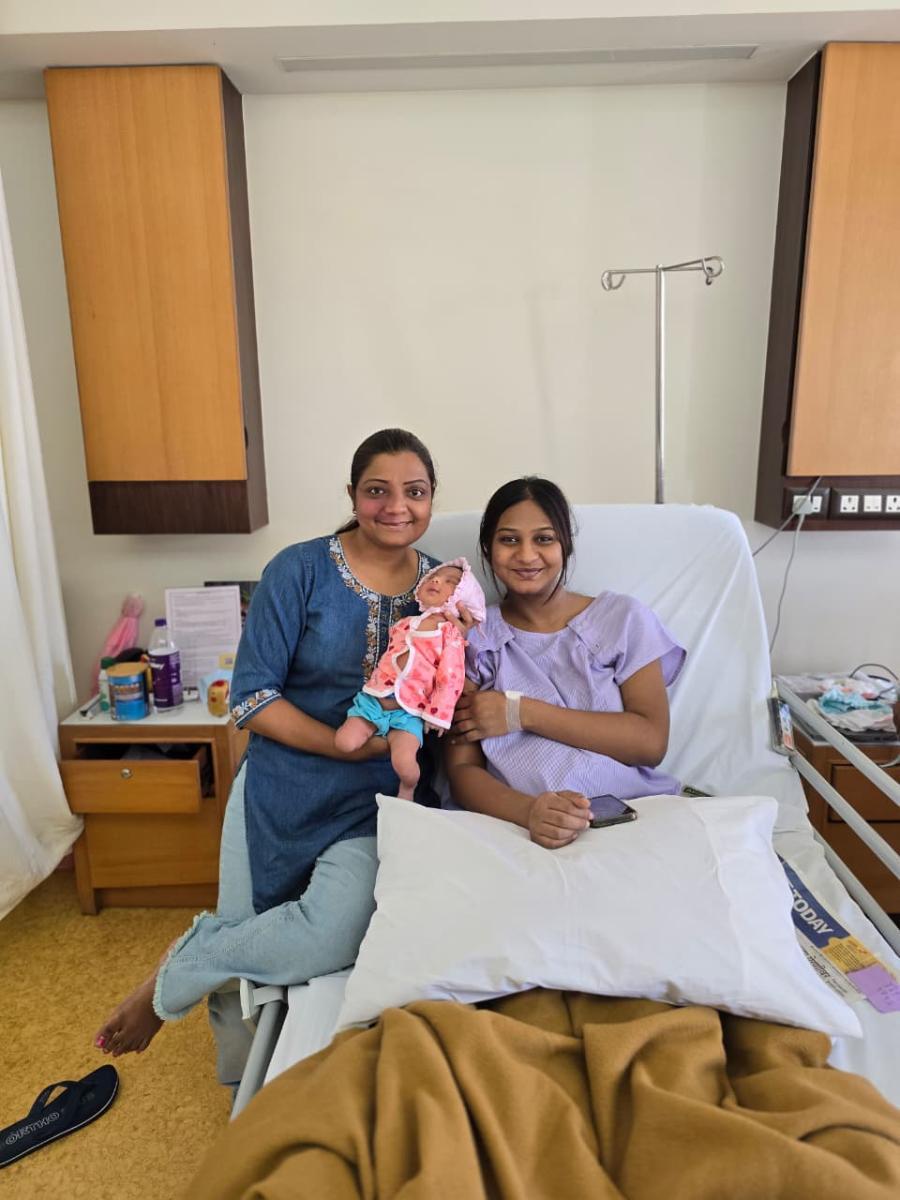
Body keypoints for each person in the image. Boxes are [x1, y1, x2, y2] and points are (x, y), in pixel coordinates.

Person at [94, 429, 466, 1089]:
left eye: (415, 492)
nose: (396, 507)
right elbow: (254, 698)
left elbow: (451, 684)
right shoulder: (298, 570)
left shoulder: (444, 587)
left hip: (374, 802)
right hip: (280, 784)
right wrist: (348, 744)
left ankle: (179, 968)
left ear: (432, 497)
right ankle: (240, 1085)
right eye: (377, 491)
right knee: (247, 928)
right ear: (352, 494)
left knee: (326, 935)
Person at [446, 477, 685, 847]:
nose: (527, 555)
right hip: (515, 827)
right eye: (509, 540)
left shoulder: (621, 620)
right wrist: (530, 812)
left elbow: (650, 743)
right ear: (488, 549)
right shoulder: (473, 638)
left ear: (566, 545)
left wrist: (520, 712)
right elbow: (461, 770)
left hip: (631, 814)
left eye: (544, 539)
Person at [335, 559, 487, 798]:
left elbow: (451, 677)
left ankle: (408, 788)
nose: (437, 580)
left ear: (463, 597)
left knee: (405, 765)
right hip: (375, 699)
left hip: (409, 713)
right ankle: (376, 730)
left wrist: (438, 713)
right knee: (344, 743)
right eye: (434, 577)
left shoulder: (451, 636)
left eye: (451, 582)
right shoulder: (403, 624)